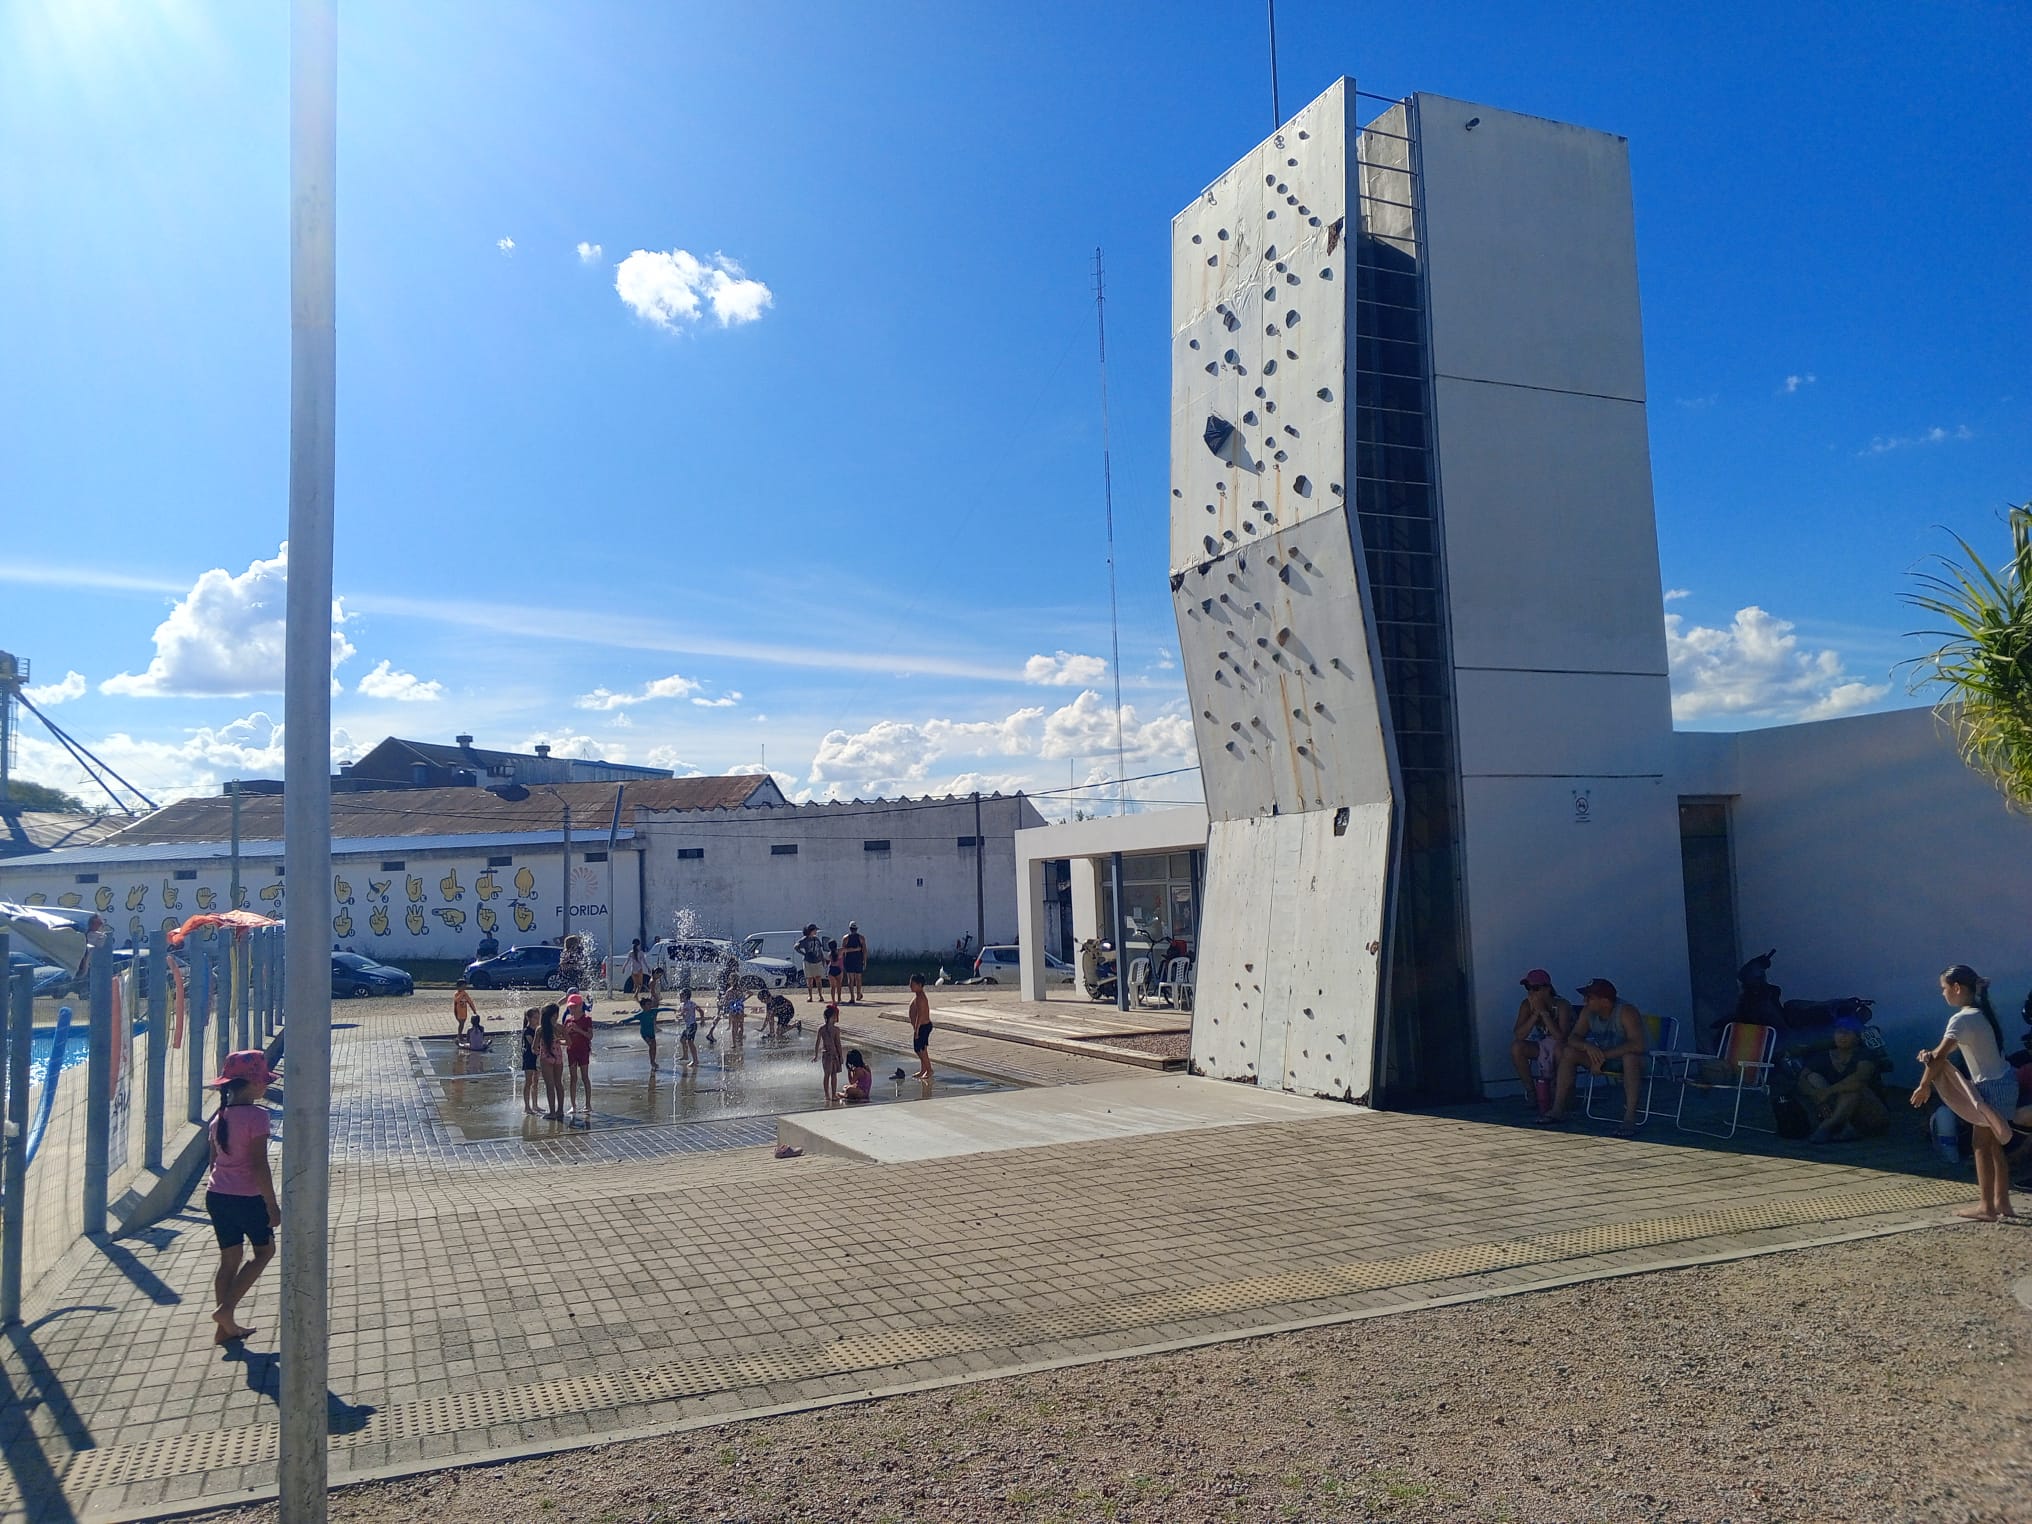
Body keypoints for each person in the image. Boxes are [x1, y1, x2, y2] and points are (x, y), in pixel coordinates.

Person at [1912, 964, 2018, 1221]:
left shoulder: (1961, 1018)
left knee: (1980, 1145)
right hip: (2004, 1083)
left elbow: (1938, 1057)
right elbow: (1942, 1054)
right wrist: (1931, 1057)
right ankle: (2002, 1202)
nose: (1943, 994)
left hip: (1990, 1086)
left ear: (1957, 988)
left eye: (1944, 989)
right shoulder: (1980, 1014)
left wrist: (1924, 1085)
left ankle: (1986, 1206)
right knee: (1994, 1147)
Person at [204, 1050, 280, 1345]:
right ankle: (225, 1311)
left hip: (217, 1195)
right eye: (262, 1081)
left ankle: (226, 1329)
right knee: (265, 1252)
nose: (265, 1086)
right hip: (247, 1198)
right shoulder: (258, 1116)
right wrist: (271, 1205)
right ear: (250, 1084)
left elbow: (213, 1162)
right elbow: (259, 1164)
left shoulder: (219, 1117)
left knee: (229, 1260)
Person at [1542, 978, 1647, 1135]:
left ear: (1605, 1001)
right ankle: (1557, 1109)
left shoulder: (1626, 1011)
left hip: (1635, 1061)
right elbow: (1573, 1038)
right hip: (1604, 1059)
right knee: (1568, 1052)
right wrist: (1587, 1046)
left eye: (1589, 998)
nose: (1584, 1001)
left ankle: (1630, 1118)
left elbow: (1638, 1045)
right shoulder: (1587, 1012)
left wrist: (1602, 1056)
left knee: (1630, 1058)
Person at [1799, 1015, 1888, 1143]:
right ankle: (1844, 1126)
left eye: (1848, 1032)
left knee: (1853, 1088)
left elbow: (1860, 1077)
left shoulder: (1865, 1054)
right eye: (1839, 1031)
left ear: (1857, 1037)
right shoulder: (1824, 1055)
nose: (1842, 1035)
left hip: (1870, 1113)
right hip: (1838, 1107)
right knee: (1813, 1078)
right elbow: (1802, 1079)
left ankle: (1827, 1126)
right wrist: (1817, 1097)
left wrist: (1827, 1092)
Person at [1508, 968, 1574, 1116]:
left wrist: (1544, 1013)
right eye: (1528, 988)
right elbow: (1519, 1035)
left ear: (1547, 989)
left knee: (1559, 1049)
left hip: (1563, 1047)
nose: (1531, 992)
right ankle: (1532, 1092)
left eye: (1535, 988)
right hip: (1542, 1045)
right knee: (1517, 1047)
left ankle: (1557, 1093)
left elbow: (1561, 1037)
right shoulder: (1527, 1005)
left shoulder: (1562, 1005)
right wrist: (1534, 1015)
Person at [564, 993, 594, 1121]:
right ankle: (573, 1105)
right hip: (571, 1051)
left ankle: (588, 1104)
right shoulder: (567, 1021)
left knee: (585, 1077)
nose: (572, 1009)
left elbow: (590, 1036)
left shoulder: (586, 1019)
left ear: (581, 1005)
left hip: (583, 1051)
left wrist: (577, 1029)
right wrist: (566, 1034)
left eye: (575, 1007)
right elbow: (565, 1038)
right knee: (573, 1078)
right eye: (570, 1007)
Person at [536, 1002, 566, 1119]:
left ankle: (552, 1112)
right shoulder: (560, 1028)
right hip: (558, 1056)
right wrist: (559, 1041)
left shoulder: (540, 1029)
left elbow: (534, 1047)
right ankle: (560, 1110)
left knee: (550, 1085)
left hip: (545, 1058)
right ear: (556, 1015)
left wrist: (539, 1049)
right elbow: (569, 1042)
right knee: (559, 1083)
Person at [814, 1002, 845, 1100]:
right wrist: (841, 1056)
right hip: (832, 1054)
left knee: (828, 1075)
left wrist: (816, 1055)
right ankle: (831, 1094)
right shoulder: (835, 1030)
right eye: (835, 1016)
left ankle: (828, 1094)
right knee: (832, 1075)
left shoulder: (822, 1029)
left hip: (827, 1054)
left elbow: (817, 1043)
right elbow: (838, 1044)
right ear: (832, 1017)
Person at [908, 972, 934, 1081]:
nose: (910, 986)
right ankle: (923, 1069)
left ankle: (929, 1069)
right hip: (921, 1026)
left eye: (913, 984)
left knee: (919, 1049)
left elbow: (920, 1014)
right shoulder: (918, 996)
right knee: (922, 1049)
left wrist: (917, 1029)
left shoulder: (921, 998)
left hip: (923, 1026)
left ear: (919, 985)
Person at [634, 991, 666, 1072]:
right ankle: (652, 1062)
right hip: (645, 1034)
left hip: (652, 1033)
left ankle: (653, 1061)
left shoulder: (653, 1011)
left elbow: (663, 1009)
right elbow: (631, 1019)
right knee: (651, 1046)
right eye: (648, 1004)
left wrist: (672, 1009)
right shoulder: (640, 1014)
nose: (650, 1006)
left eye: (650, 1004)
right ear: (643, 1006)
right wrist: (622, 1021)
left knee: (654, 1047)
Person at [796, 924, 826, 1003]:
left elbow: (819, 950)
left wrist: (823, 959)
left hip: (817, 961)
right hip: (808, 961)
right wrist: (804, 954)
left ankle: (820, 995)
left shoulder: (816, 939)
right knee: (809, 979)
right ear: (811, 931)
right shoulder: (804, 939)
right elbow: (796, 947)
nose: (816, 931)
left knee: (818, 979)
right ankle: (810, 996)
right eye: (815, 930)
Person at [520, 1007, 542, 1114]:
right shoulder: (527, 1031)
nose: (537, 1020)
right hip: (529, 1057)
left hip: (537, 1057)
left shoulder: (538, 1029)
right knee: (528, 1082)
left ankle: (535, 1105)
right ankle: (527, 1106)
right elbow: (533, 1044)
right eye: (535, 1018)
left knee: (536, 1081)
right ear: (528, 1018)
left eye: (538, 1017)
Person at [841, 921, 868, 1004]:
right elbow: (864, 950)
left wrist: (842, 961)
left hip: (849, 960)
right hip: (858, 960)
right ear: (857, 929)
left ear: (850, 929)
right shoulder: (861, 938)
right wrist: (865, 961)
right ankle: (858, 994)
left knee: (851, 979)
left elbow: (843, 951)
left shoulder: (845, 938)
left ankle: (852, 997)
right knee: (858, 978)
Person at [677, 991, 702, 1068]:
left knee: (690, 1042)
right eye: (680, 996)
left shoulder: (691, 1003)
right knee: (682, 1040)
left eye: (682, 996)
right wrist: (678, 1016)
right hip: (687, 1026)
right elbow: (679, 1013)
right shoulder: (681, 1005)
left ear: (686, 996)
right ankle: (685, 1055)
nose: (680, 997)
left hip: (692, 1025)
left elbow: (700, 1010)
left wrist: (702, 1019)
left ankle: (695, 1060)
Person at [827, 938, 845, 1005]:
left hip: (831, 969)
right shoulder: (840, 951)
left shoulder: (829, 954)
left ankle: (833, 1000)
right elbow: (847, 949)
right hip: (838, 969)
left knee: (832, 987)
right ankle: (839, 999)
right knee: (839, 985)